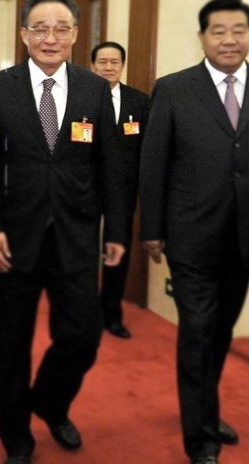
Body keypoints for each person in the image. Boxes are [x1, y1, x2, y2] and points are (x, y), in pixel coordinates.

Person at [139, 0, 249, 464]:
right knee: (197, 331)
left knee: (221, 331)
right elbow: (154, 164)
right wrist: (152, 228)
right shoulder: (174, 89)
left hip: (246, 235)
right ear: (202, 37)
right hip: (189, 235)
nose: (229, 39)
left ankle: (203, 410)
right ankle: (202, 441)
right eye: (218, 31)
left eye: (238, 30)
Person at [0, 0, 127, 464]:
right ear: (23, 35)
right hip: (13, 240)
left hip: (76, 237)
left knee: (83, 335)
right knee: (11, 347)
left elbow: (111, 167)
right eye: (39, 28)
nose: (50, 37)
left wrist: (116, 231)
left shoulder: (94, 89)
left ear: (76, 35)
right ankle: (16, 438)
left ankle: (50, 402)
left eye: (61, 28)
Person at [90, 41, 151, 339]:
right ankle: (82, 310)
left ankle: (111, 314)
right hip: (85, 189)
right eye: (102, 62)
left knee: (118, 250)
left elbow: (148, 149)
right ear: (92, 66)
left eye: (114, 62)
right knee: (83, 251)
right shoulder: (78, 98)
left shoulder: (139, 102)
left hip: (123, 192)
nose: (108, 67)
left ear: (122, 66)